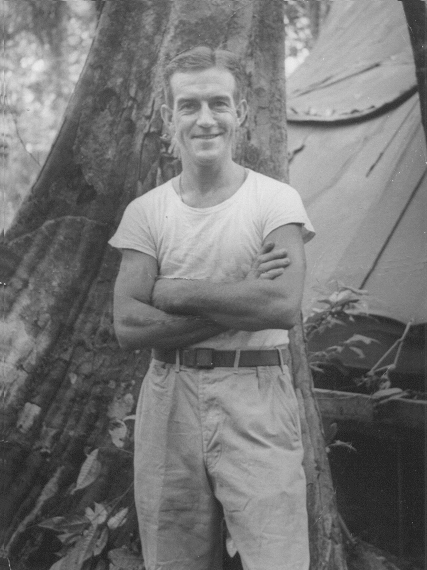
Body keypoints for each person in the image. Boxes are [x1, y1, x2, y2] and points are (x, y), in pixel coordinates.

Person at [109, 46, 315, 570]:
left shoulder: (275, 202)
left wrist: (176, 293)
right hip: (169, 398)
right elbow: (130, 324)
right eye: (189, 105)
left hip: (257, 396)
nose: (206, 119)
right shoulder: (147, 213)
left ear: (241, 113)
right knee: (173, 558)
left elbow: (280, 305)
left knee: (277, 558)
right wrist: (236, 296)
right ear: (167, 116)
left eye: (219, 104)